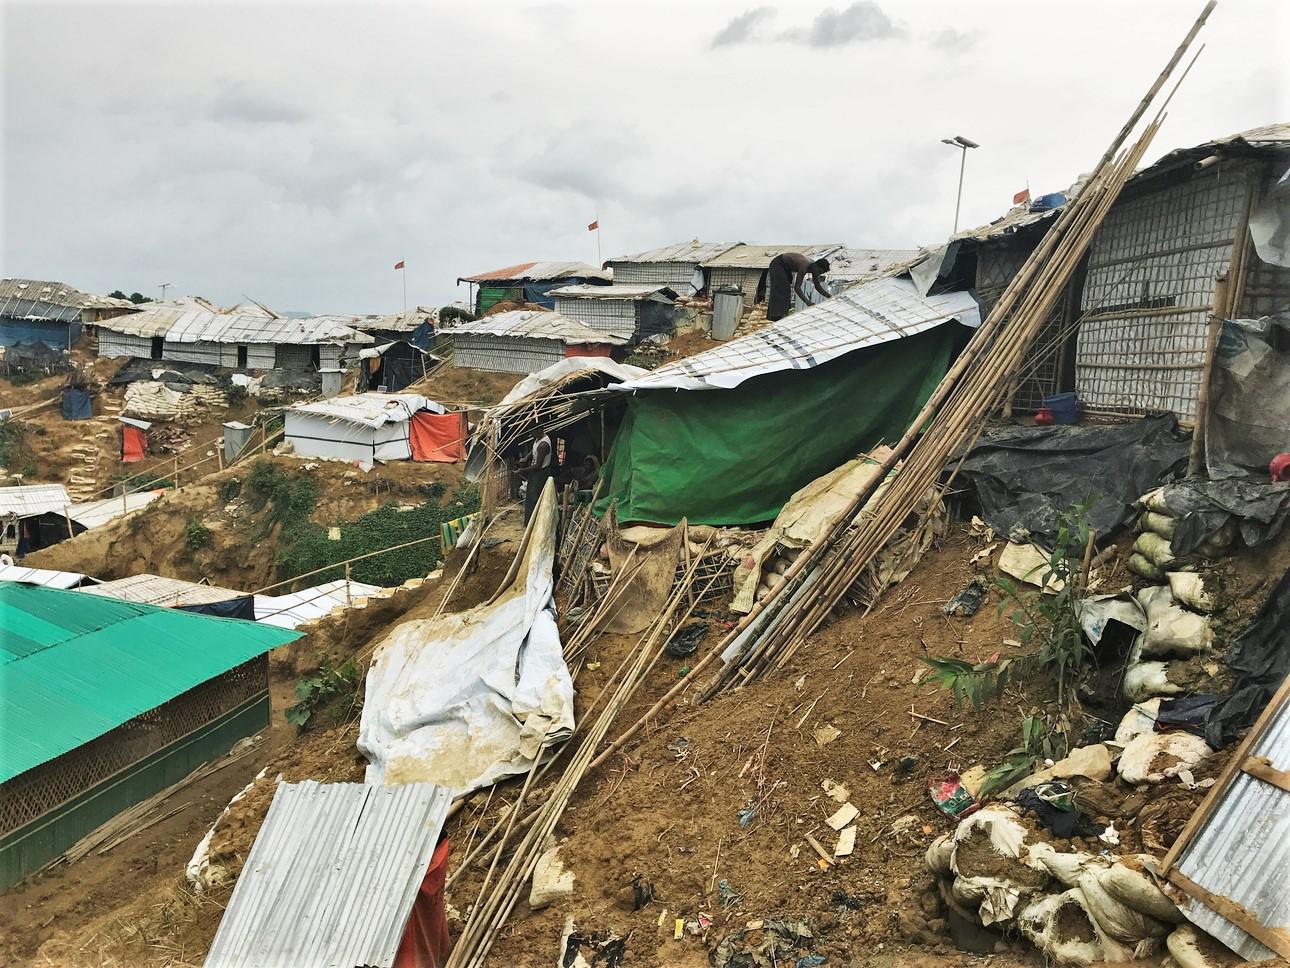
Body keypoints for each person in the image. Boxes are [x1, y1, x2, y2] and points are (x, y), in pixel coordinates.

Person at [766, 253, 831, 322]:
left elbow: (818, 287)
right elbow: (797, 287)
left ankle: (781, 314)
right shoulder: (804, 266)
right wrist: (808, 302)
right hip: (778, 264)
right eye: (819, 271)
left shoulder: (814, 269)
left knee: (786, 290)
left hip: (786, 268)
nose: (818, 274)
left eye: (820, 273)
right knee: (782, 288)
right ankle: (776, 316)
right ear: (816, 266)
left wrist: (829, 297)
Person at [519, 431, 554, 522]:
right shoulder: (538, 439)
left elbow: (538, 465)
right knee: (530, 498)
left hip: (540, 473)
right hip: (535, 472)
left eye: (533, 432)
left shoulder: (544, 445)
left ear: (539, 429)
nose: (532, 434)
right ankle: (529, 522)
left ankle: (535, 522)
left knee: (535, 498)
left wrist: (522, 470)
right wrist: (526, 458)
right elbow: (534, 450)